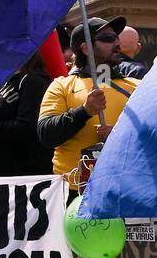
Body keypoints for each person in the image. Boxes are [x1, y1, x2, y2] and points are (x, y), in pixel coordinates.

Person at [38, 16, 140, 193]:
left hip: (124, 190)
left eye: (116, 36)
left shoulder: (136, 86)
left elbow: (154, 134)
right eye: (108, 38)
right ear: (85, 48)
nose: (117, 42)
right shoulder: (61, 86)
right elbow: (47, 134)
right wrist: (84, 111)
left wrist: (119, 136)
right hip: (73, 192)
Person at [0, 54, 53, 177]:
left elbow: (30, 126)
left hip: (24, 172)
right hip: (0, 169)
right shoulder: (4, 82)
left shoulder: (34, 81)